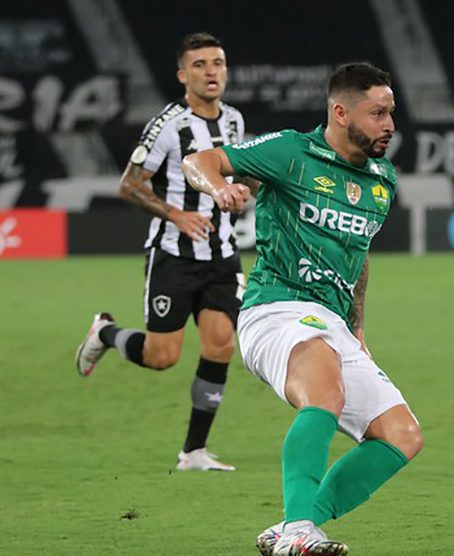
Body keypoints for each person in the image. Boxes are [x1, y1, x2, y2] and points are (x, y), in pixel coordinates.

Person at [181, 62, 422, 556]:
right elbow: (200, 161)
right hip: (276, 308)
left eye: (391, 113)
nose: (389, 125)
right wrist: (220, 187)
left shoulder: (383, 179)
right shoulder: (291, 151)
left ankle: (299, 523)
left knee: (401, 435)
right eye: (377, 113)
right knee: (324, 395)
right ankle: (297, 532)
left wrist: (356, 325)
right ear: (340, 112)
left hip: (333, 322)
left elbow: (358, 255)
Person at [75, 32, 253, 471]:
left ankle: (193, 451)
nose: (211, 71)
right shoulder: (168, 125)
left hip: (222, 255)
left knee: (220, 346)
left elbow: (243, 172)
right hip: (174, 255)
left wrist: (245, 187)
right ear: (182, 75)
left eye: (218, 62)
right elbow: (129, 184)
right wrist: (177, 214)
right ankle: (106, 334)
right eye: (200, 65)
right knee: (162, 357)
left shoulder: (234, 121)